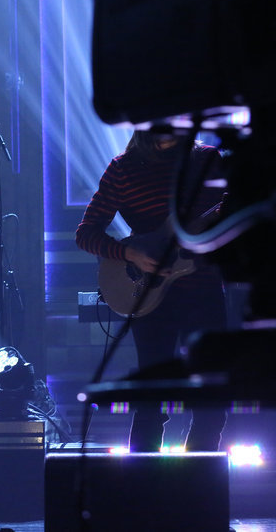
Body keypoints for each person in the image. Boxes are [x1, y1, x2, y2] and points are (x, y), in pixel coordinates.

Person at [76, 130, 227, 451]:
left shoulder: (206, 160)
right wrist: (130, 253)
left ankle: (199, 473)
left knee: (211, 397)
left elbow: (231, 216)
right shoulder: (124, 168)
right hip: (149, 294)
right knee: (151, 399)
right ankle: (143, 474)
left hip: (203, 289)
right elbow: (86, 233)